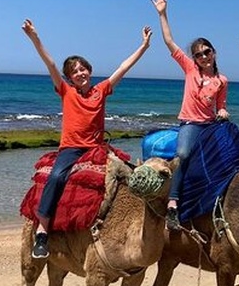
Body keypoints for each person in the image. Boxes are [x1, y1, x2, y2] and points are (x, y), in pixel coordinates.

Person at [21, 18, 152, 259]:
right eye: (74, 71)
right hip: (71, 149)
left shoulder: (101, 90)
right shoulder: (66, 91)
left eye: (83, 69)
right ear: (69, 78)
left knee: (128, 174)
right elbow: (49, 63)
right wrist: (34, 38)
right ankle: (42, 231)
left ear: (89, 71)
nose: (80, 73)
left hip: (97, 149)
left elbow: (123, 68)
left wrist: (143, 46)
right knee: (57, 176)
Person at [151, 0, 229, 230]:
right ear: (193, 58)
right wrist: (163, 13)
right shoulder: (189, 69)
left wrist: (223, 112)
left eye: (207, 52)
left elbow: (221, 106)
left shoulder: (222, 80)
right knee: (183, 155)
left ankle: (222, 201)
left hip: (210, 125)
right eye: (199, 54)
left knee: (235, 154)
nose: (203, 56)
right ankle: (173, 204)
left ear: (213, 52)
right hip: (190, 124)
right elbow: (169, 41)